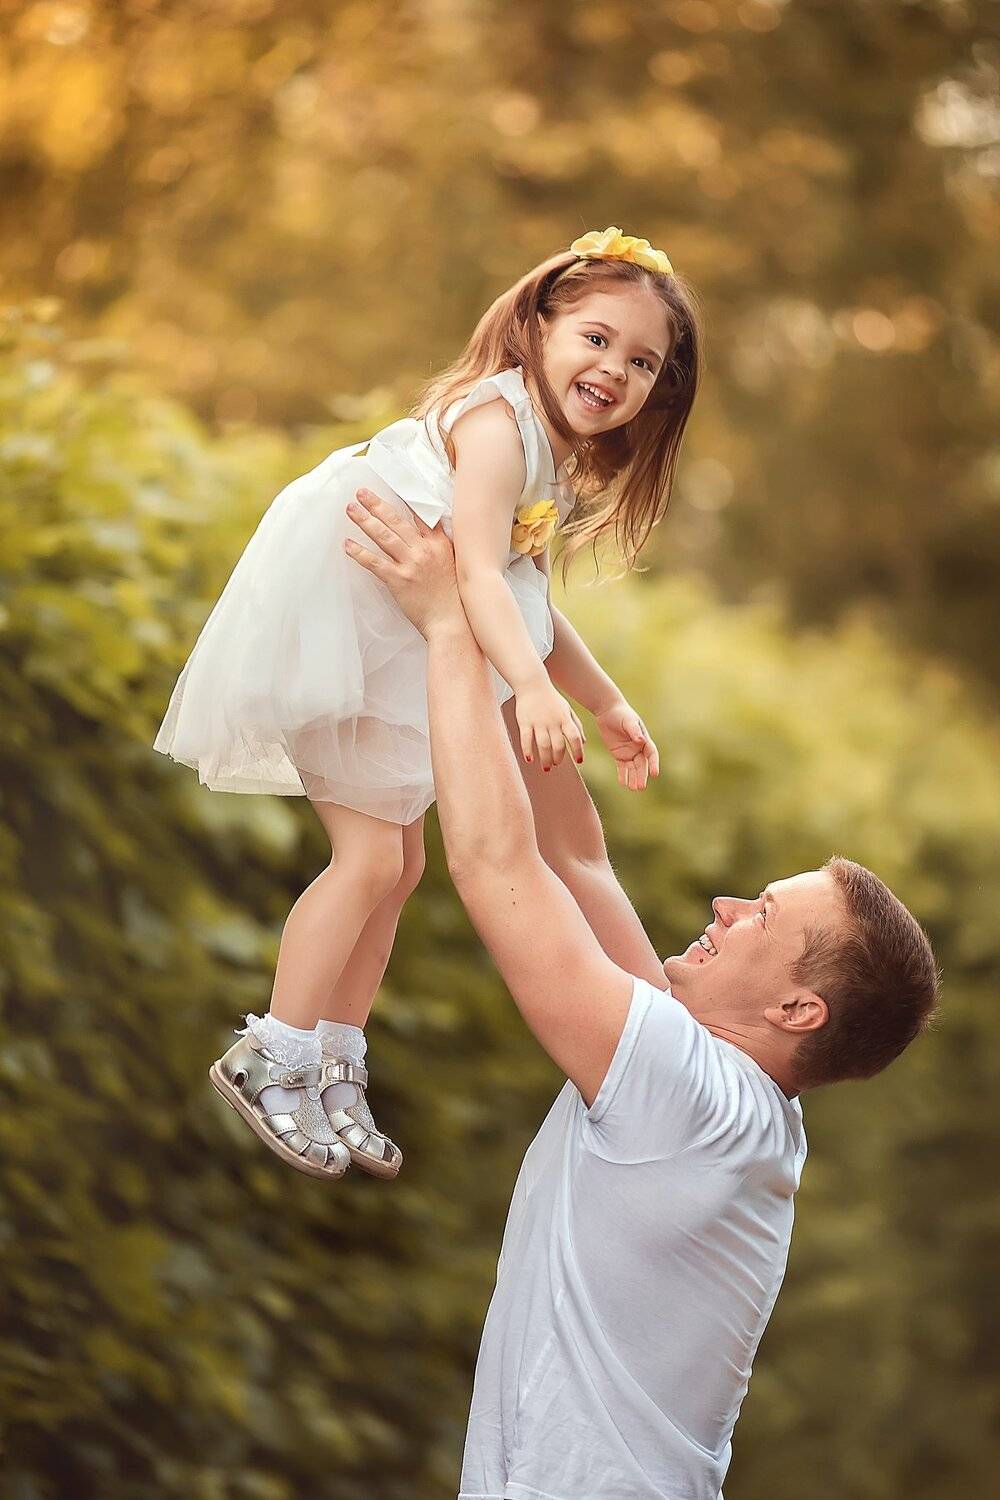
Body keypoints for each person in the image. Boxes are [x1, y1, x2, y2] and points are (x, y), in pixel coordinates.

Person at [341, 487, 940, 1500]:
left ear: (798, 1012)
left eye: (761, 915)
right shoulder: (726, 1094)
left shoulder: (689, 1097)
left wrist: (446, 628)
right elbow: (575, 858)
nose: (725, 906)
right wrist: (505, 622)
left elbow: (496, 866)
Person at [152, 226, 702, 1180]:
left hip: (393, 651)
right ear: (538, 325)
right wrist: (532, 689)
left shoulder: (550, 455)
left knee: (398, 866)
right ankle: (273, 1049)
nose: (615, 369)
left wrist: (606, 701)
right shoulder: (495, 425)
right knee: (369, 859)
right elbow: (478, 579)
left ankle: (334, 1063)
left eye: (643, 361)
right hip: (349, 634)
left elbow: (526, 596)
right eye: (597, 337)